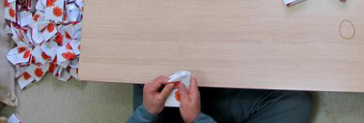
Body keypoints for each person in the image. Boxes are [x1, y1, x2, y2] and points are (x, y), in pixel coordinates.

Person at [127, 74, 312, 123]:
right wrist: (197, 119)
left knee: (143, 73)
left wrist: (147, 112)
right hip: (205, 117)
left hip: (163, 117)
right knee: (296, 102)